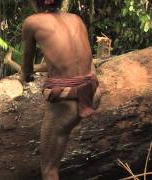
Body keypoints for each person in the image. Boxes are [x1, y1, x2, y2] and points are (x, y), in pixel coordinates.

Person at [21, 0, 99, 179]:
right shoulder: (76, 19)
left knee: (49, 170)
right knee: (62, 132)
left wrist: (24, 74)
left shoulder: (32, 22)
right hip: (93, 91)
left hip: (67, 101)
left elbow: (27, 71)